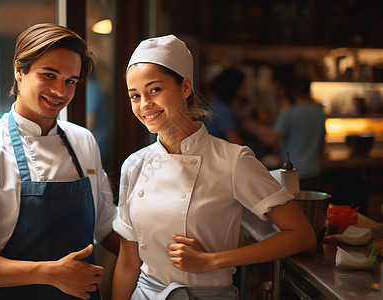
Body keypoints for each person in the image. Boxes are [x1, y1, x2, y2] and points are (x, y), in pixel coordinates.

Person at [111, 34, 316, 300]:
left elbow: (301, 235)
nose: (144, 104)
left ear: (185, 87)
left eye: (155, 90)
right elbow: (128, 263)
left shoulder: (233, 160)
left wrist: (212, 261)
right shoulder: (134, 165)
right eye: (134, 96)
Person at [0, 23, 119, 300]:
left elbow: (105, 222)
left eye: (71, 80)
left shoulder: (83, 141)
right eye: (49, 75)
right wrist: (49, 273)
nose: (60, 91)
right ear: (19, 72)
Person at [243, 76, 326, 190]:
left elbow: (272, 138)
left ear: (292, 92)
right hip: (314, 171)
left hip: (294, 173)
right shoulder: (319, 112)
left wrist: (253, 128)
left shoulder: (290, 113)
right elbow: (322, 142)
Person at [204, 68, 244, 145]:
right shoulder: (222, 110)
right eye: (242, 86)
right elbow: (235, 142)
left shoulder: (217, 104)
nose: (244, 90)